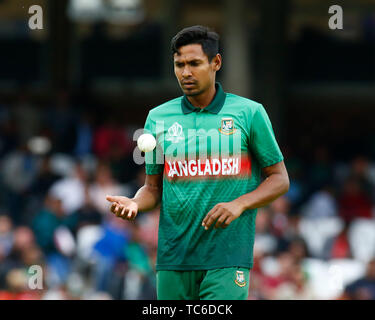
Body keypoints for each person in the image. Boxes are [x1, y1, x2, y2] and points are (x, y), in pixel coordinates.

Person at [106, 25, 289, 300]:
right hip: (173, 258)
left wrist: (239, 204)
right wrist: (134, 203)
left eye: (194, 63)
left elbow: (279, 179)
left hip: (227, 257)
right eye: (179, 64)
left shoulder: (249, 113)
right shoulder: (157, 118)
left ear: (216, 63)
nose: (185, 72)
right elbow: (153, 189)